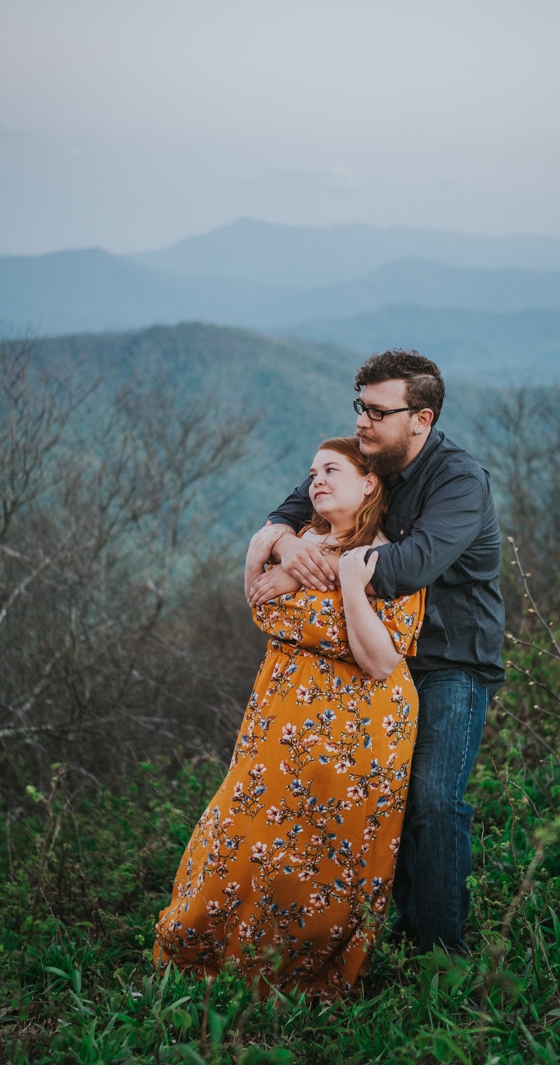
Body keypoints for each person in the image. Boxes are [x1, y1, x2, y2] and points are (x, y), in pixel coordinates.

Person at [245, 349, 505, 957]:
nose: (362, 422)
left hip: (447, 661)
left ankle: (440, 954)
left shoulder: (459, 482)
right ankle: (359, 934)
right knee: (360, 796)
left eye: (378, 411)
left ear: (422, 418)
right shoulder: (366, 458)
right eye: (359, 406)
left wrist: (311, 566)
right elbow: (284, 518)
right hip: (364, 653)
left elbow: (408, 566)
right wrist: (284, 550)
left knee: (434, 800)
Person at [155, 437, 424, 999]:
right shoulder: (299, 542)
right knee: (243, 831)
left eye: (330, 470)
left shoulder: (395, 556)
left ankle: (301, 977)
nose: (314, 481)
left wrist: (349, 586)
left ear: (369, 482)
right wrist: (299, 566)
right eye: (311, 472)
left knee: (328, 850)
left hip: (360, 725)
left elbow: (378, 660)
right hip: (279, 715)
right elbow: (259, 602)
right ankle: (213, 956)